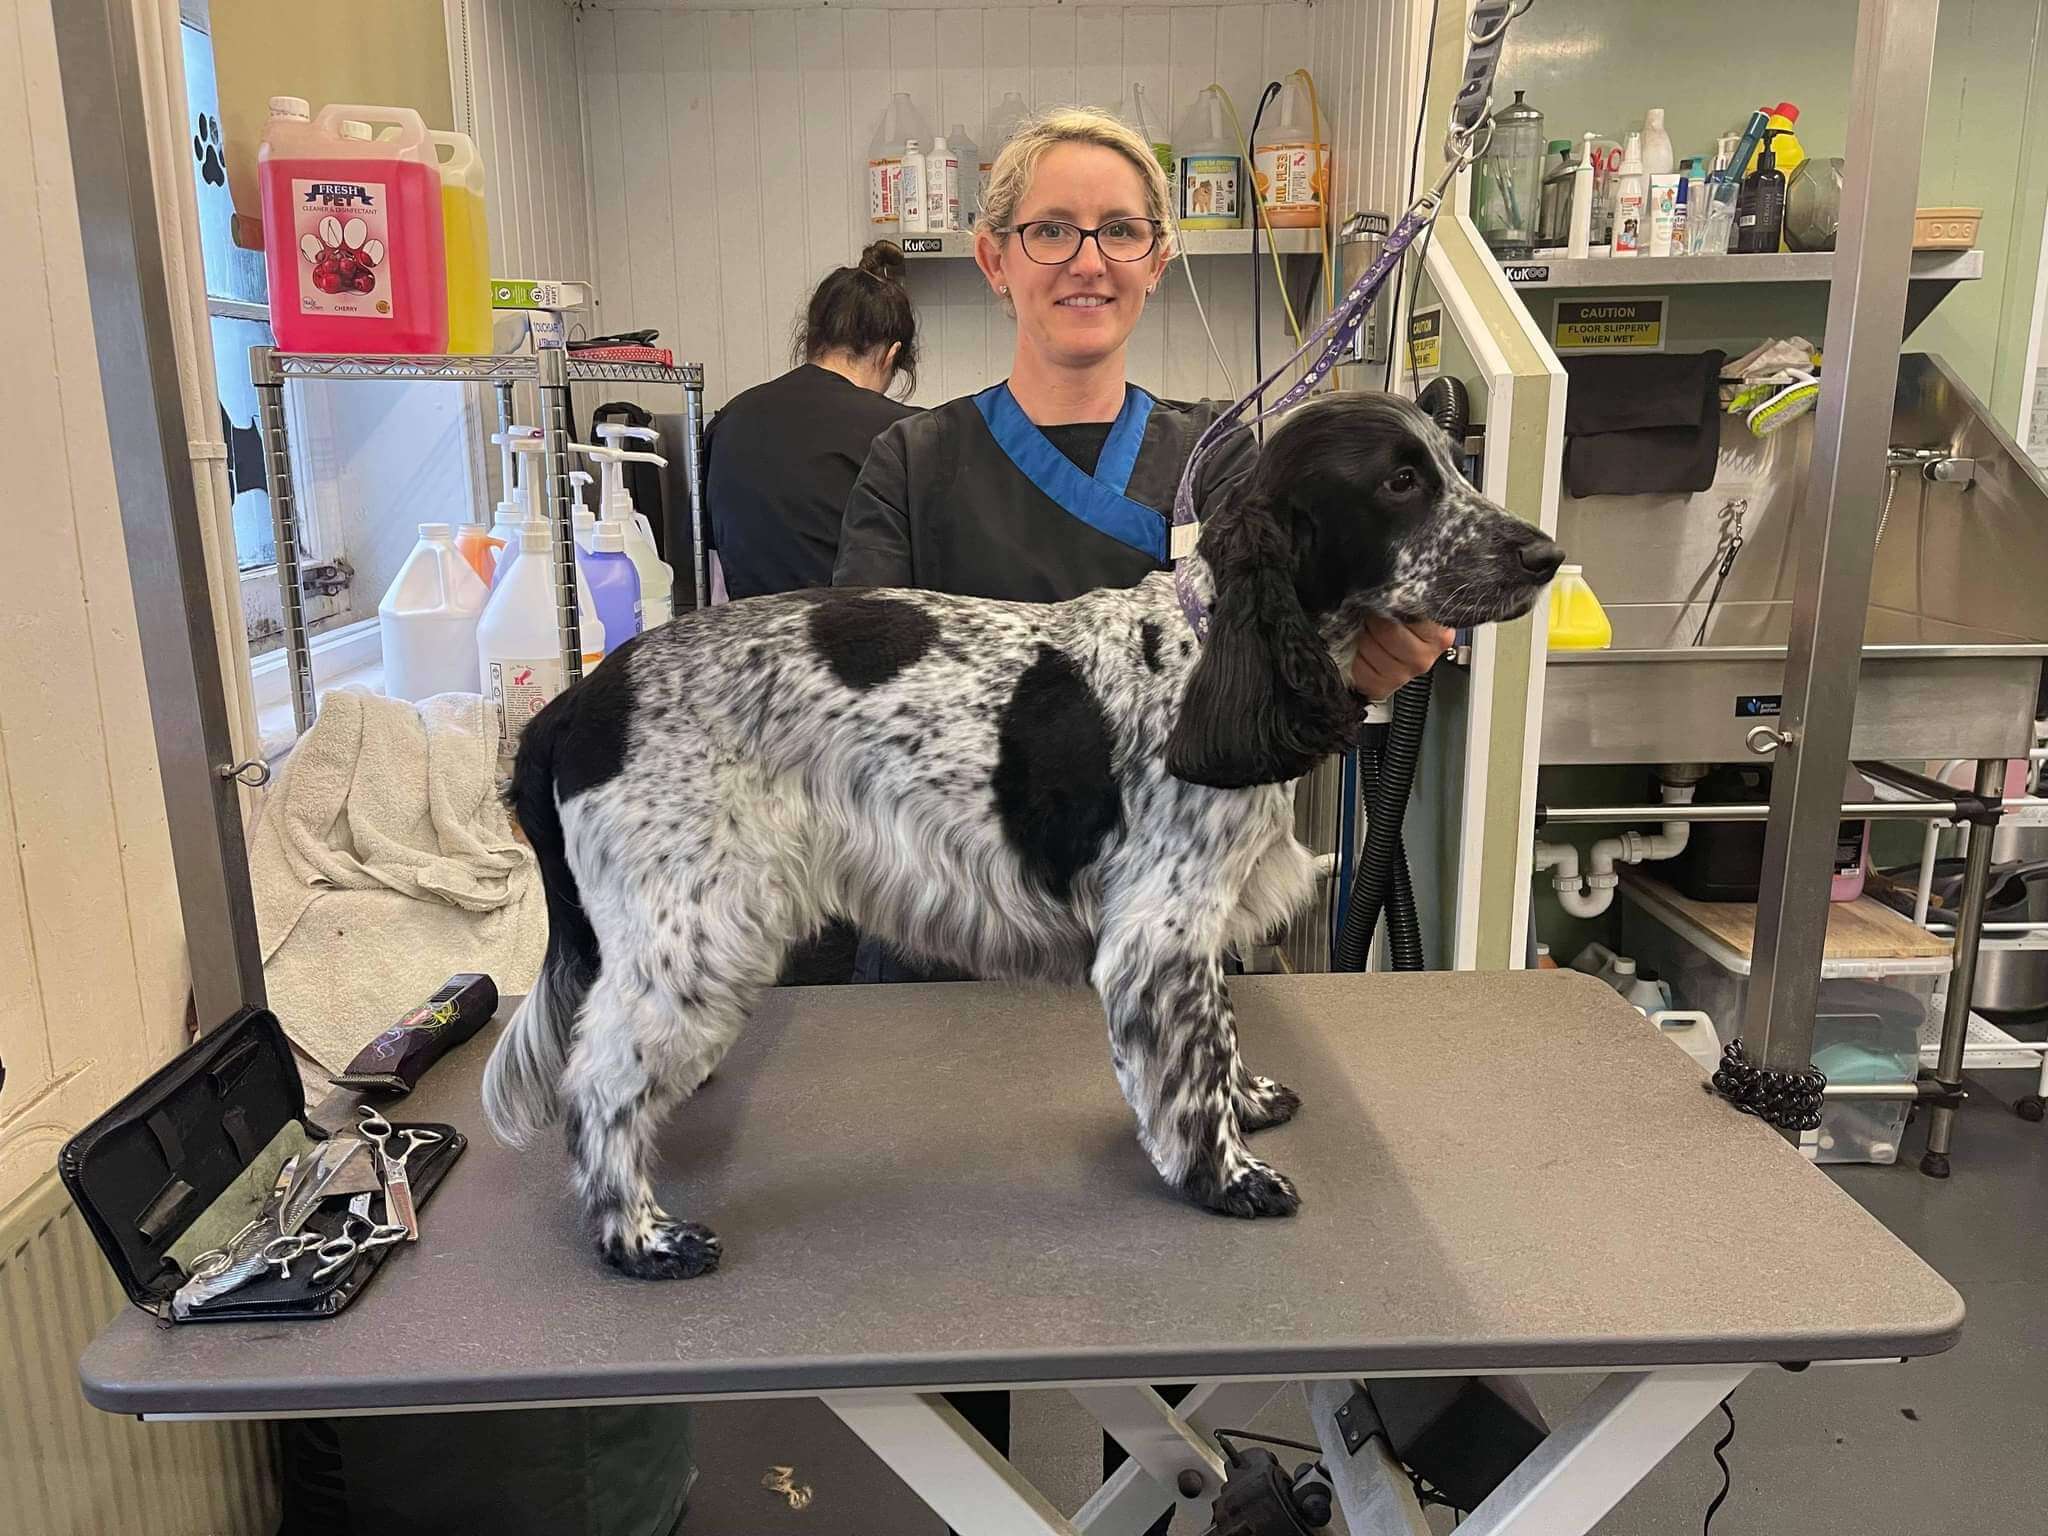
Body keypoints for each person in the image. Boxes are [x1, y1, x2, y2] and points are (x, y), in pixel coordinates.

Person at [832, 107, 1449, 1521]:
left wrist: (1362, 668)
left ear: (1160, 258)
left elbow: (1272, 692)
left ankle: (1158, 1507)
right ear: (993, 256)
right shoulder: (911, 468)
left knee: (1173, 1346)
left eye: (1117, 229)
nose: (1085, 258)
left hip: (1174, 966)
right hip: (956, 980)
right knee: (953, 1337)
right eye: (1052, 228)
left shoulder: (1225, 463)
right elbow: (870, 697)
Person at [704, 240, 920, 601]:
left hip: (752, 646)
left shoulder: (730, 420)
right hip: (852, 645)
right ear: (891, 355)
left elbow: (715, 569)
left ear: (812, 337)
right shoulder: (905, 435)